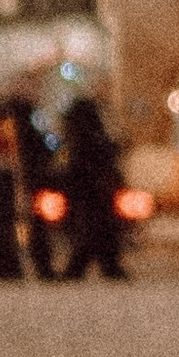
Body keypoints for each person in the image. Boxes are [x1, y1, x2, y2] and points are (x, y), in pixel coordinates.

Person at [57, 93, 128, 281]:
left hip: (86, 193)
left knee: (91, 232)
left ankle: (87, 268)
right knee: (98, 231)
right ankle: (104, 266)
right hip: (98, 193)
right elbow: (109, 155)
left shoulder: (78, 141)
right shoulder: (96, 138)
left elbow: (75, 170)